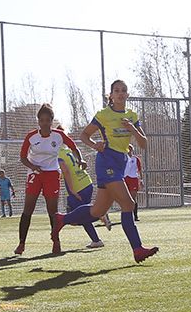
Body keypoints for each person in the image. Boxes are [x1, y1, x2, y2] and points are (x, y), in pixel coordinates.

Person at [53, 80, 158, 263]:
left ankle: (62, 219)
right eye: (116, 90)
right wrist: (95, 145)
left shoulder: (132, 116)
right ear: (111, 95)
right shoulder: (104, 115)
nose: (120, 93)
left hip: (120, 163)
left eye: (123, 90)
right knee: (128, 203)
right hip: (106, 161)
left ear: (127, 95)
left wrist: (133, 129)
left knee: (97, 210)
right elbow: (84, 135)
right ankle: (137, 249)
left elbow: (144, 143)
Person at [15, 104, 77, 256]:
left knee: (52, 211)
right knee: (28, 209)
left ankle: (56, 241)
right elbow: (22, 157)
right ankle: (21, 243)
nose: (44, 123)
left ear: (51, 121)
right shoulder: (31, 136)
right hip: (35, 174)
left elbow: (74, 147)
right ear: (38, 121)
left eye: (47, 120)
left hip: (52, 174)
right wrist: (33, 167)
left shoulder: (58, 135)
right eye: (41, 120)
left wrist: (80, 159)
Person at [52, 140, 105, 249]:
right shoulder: (66, 150)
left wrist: (71, 190)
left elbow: (66, 170)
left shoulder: (57, 153)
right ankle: (96, 240)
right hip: (86, 182)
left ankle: (100, 214)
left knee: (75, 218)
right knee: (81, 216)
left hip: (78, 187)